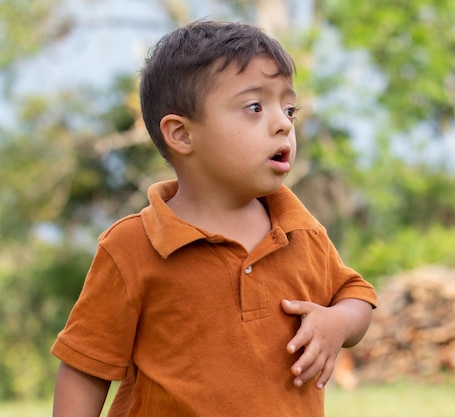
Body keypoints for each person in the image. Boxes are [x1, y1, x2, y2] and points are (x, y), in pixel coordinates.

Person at [51, 19, 377, 417]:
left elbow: (356, 294)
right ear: (182, 135)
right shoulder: (133, 246)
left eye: (289, 108)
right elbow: (86, 368)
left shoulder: (300, 230)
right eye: (255, 107)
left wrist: (338, 323)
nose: (283, 123)